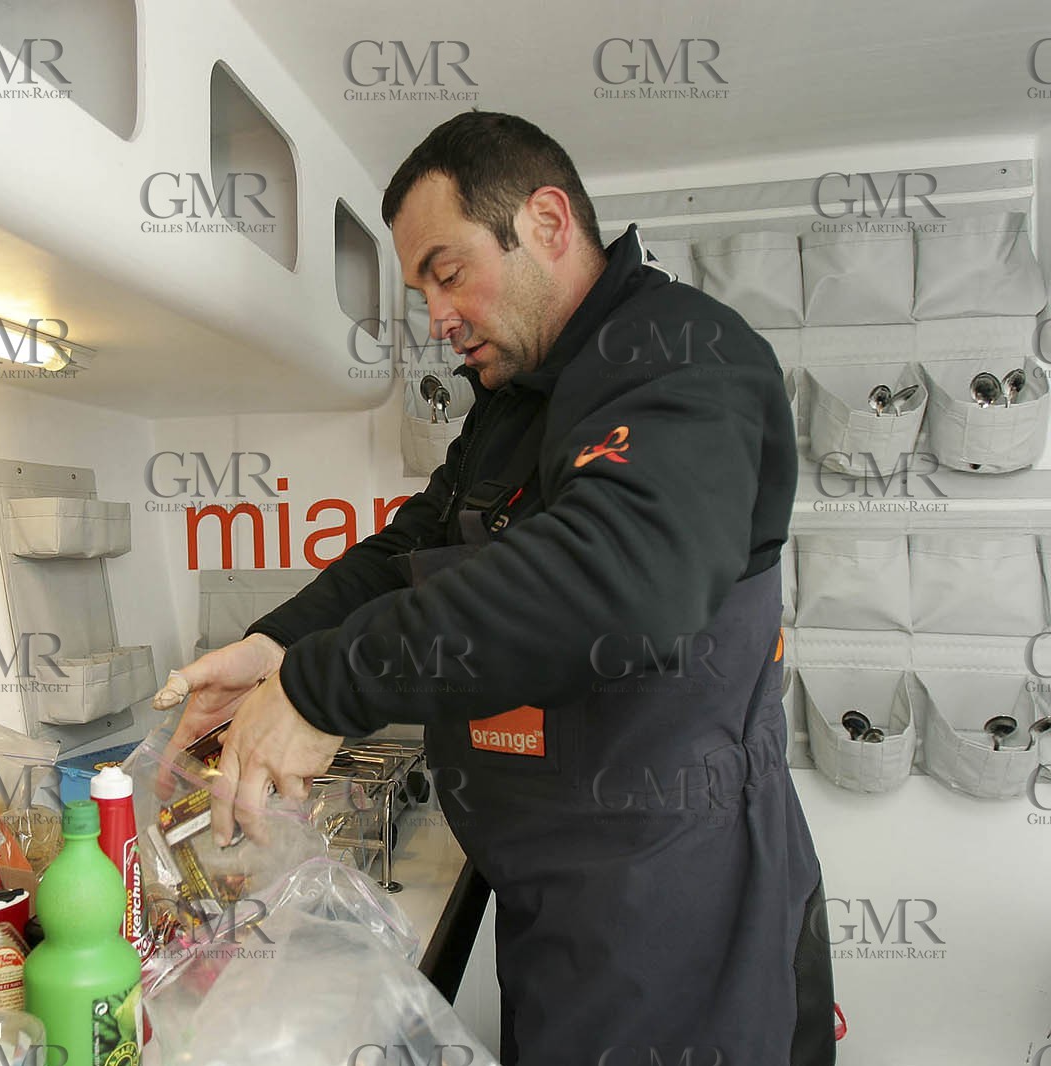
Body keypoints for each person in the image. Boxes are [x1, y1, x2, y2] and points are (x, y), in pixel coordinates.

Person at [153, 110, 834, 1065]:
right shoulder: (514, 407)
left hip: (673, 902)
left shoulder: (683, 354)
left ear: (548, 223)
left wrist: (324, 691)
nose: (437, 317)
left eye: (447, 270)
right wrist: (277, 650)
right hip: (555, 879)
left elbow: (619, 577)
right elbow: (412, 547)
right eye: (422, 288)